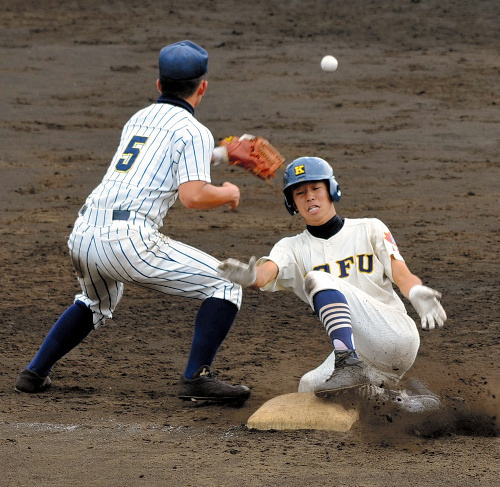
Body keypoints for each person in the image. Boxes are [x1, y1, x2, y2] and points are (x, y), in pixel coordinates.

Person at [15, 40, 250, 405]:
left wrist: (222, 153)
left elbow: (159, 161)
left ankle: (33, 373)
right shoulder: (192, 130)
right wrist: (229, 191)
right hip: (127, 241)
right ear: (203, 87)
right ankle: (196, 378)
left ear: (159, 85)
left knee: (95, 302)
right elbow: (193, 196)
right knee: (226, 284)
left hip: (84, 233)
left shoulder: (138, 119)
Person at [218, 156, 447, 412]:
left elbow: (401, 274)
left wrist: (415, 291)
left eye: (316, 188)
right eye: (300, 193)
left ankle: (347, 363)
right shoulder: (291, 247)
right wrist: (250, 278)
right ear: (291, 202)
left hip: (394, 333)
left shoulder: (369, 228)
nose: (309, 197)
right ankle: (408, 402)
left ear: (331, 190)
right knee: (310, 386)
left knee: (317, 278)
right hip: (365, 354)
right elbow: (265, 273)